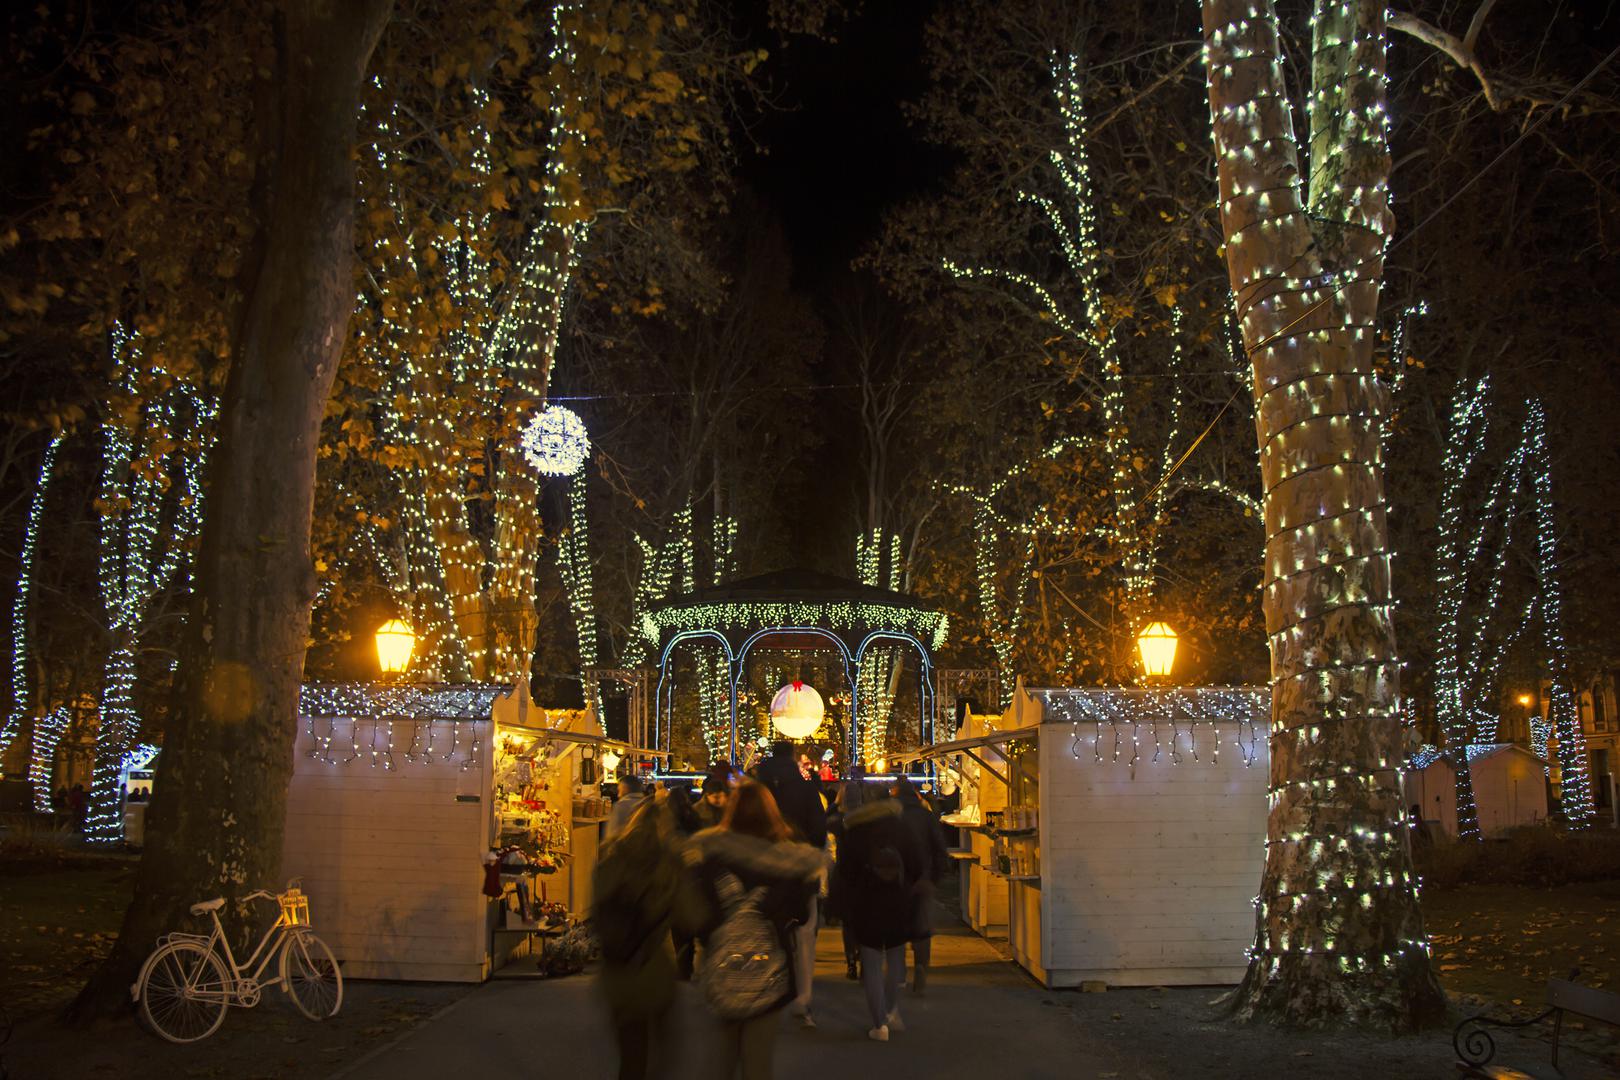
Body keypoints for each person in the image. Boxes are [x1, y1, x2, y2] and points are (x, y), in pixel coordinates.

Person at [684, 781, 824, 1079]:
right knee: (758, 1060)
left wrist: (714, 937)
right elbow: (799, 915)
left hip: (722, 967)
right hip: (769, 971)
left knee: (721, 1057)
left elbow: (696, 913)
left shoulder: (709, 855)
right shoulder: (787, 861)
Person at [593, 794, 697, 1080]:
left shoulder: (611, 856)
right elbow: (691, 916)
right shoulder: (669, 862)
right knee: (663, 1048)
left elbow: (597, 910)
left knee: (631, 1052)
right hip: (654, 969)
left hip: (617, 969)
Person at [837, 787, 924, 1041]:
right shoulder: (902, 828)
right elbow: (917, 865)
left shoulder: (855, 830)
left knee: (872, 961)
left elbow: (845, 872)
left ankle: (879, 1025)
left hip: (866, 902)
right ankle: (890, 1010)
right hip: (898, 900)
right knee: (896, 958)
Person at [753, 741, 827, 1028]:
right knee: (804, 935)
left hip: (762, 868)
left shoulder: (757, 788)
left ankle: (762, 991)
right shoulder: (805, 787)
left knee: (766, 931)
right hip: (798, 869)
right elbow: (819, 831)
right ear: (794, 757)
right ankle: (802, 998)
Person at [892, 777, 949, 994]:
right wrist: (934, 878)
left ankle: (898, 974)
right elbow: (939, 847)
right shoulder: (926, 816)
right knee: (921, 928)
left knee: (897, 926)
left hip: (897, 879)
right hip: (923, 878)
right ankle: (920, 966)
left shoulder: (892, 816)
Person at [827, 762, 872, 981]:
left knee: (848, 922)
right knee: (863, 919)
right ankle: (863, 957)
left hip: (844, 874)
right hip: (864, 875)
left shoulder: (836, 819)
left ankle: (851, 962)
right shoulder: (868, 819)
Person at [607, 773, 648, 838]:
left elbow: (612, 833)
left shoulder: (620, 806)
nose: (618, 795)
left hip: (624, 845)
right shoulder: (648, 804)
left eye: (619, 790)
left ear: (625, 788)